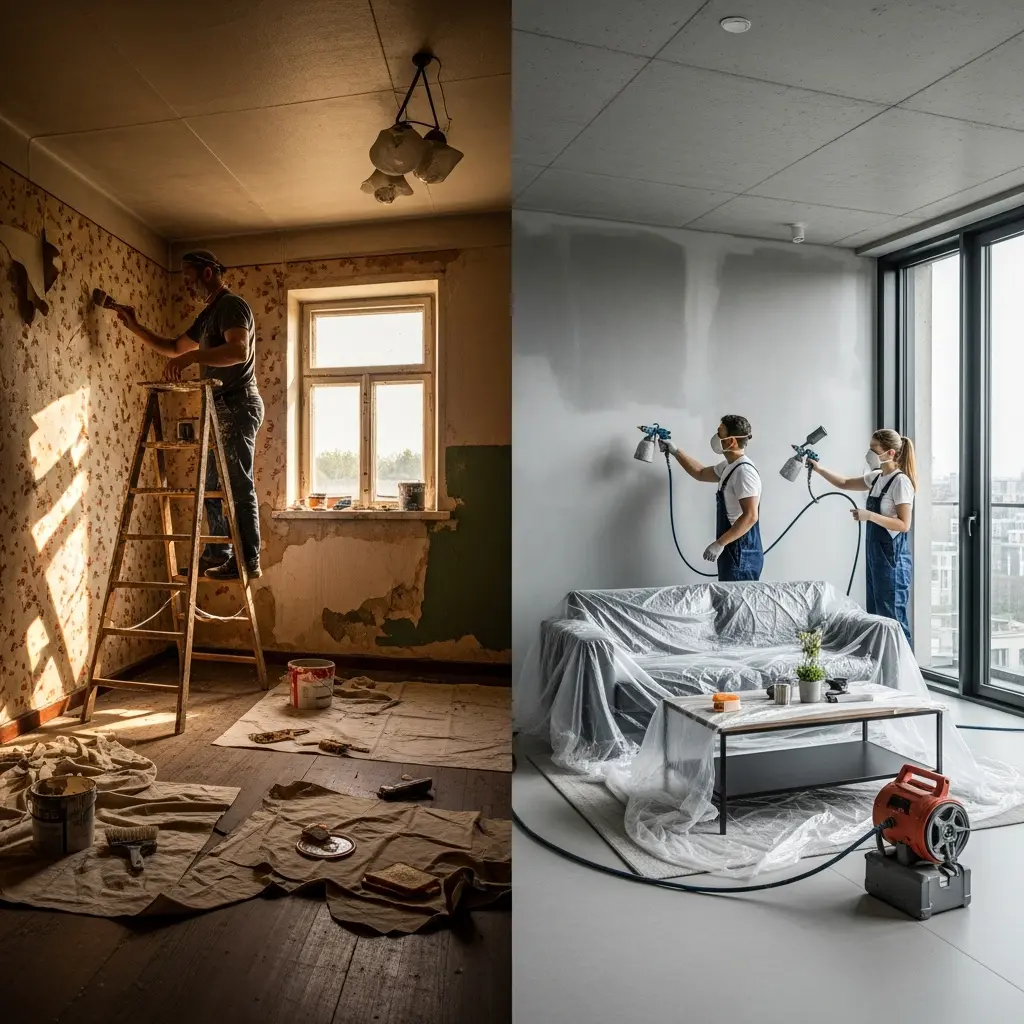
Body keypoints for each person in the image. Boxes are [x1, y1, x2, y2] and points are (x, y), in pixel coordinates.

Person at [115, 249, 264, 580]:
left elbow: (240, 351)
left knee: (238, 484)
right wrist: (134, 326)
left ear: (208, 273)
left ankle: (248, 560)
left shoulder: (231, 306)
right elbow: (172, 348)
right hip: (219, 405)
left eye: (189, 278)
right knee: (210, 485)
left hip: (238, 404)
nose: (187, 286)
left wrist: (195, 358)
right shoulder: (209, 315)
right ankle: (218, 551)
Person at [809, 428, 916, 645]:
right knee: (877, 618)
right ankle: (882, 673)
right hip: (876, 559)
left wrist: (870, 515)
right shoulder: (877, 478)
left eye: (873, 449)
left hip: (892, 562)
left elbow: (904, 524)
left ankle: (904, 675)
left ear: (890, 453)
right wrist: (818, 469)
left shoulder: (900, 482)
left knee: (893, 621)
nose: (869, 453)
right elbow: (845, 483)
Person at [660, 415, 763, 581]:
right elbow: (700, 473)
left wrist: (719, 543)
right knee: (728, 603)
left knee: (736, 604)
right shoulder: (729, 466)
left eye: (720, 433)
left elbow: (750, 516)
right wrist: (675, 451)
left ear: (731, 442)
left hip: (742, 553)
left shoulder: (744, 472)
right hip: (732, 548)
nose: (716, 437)